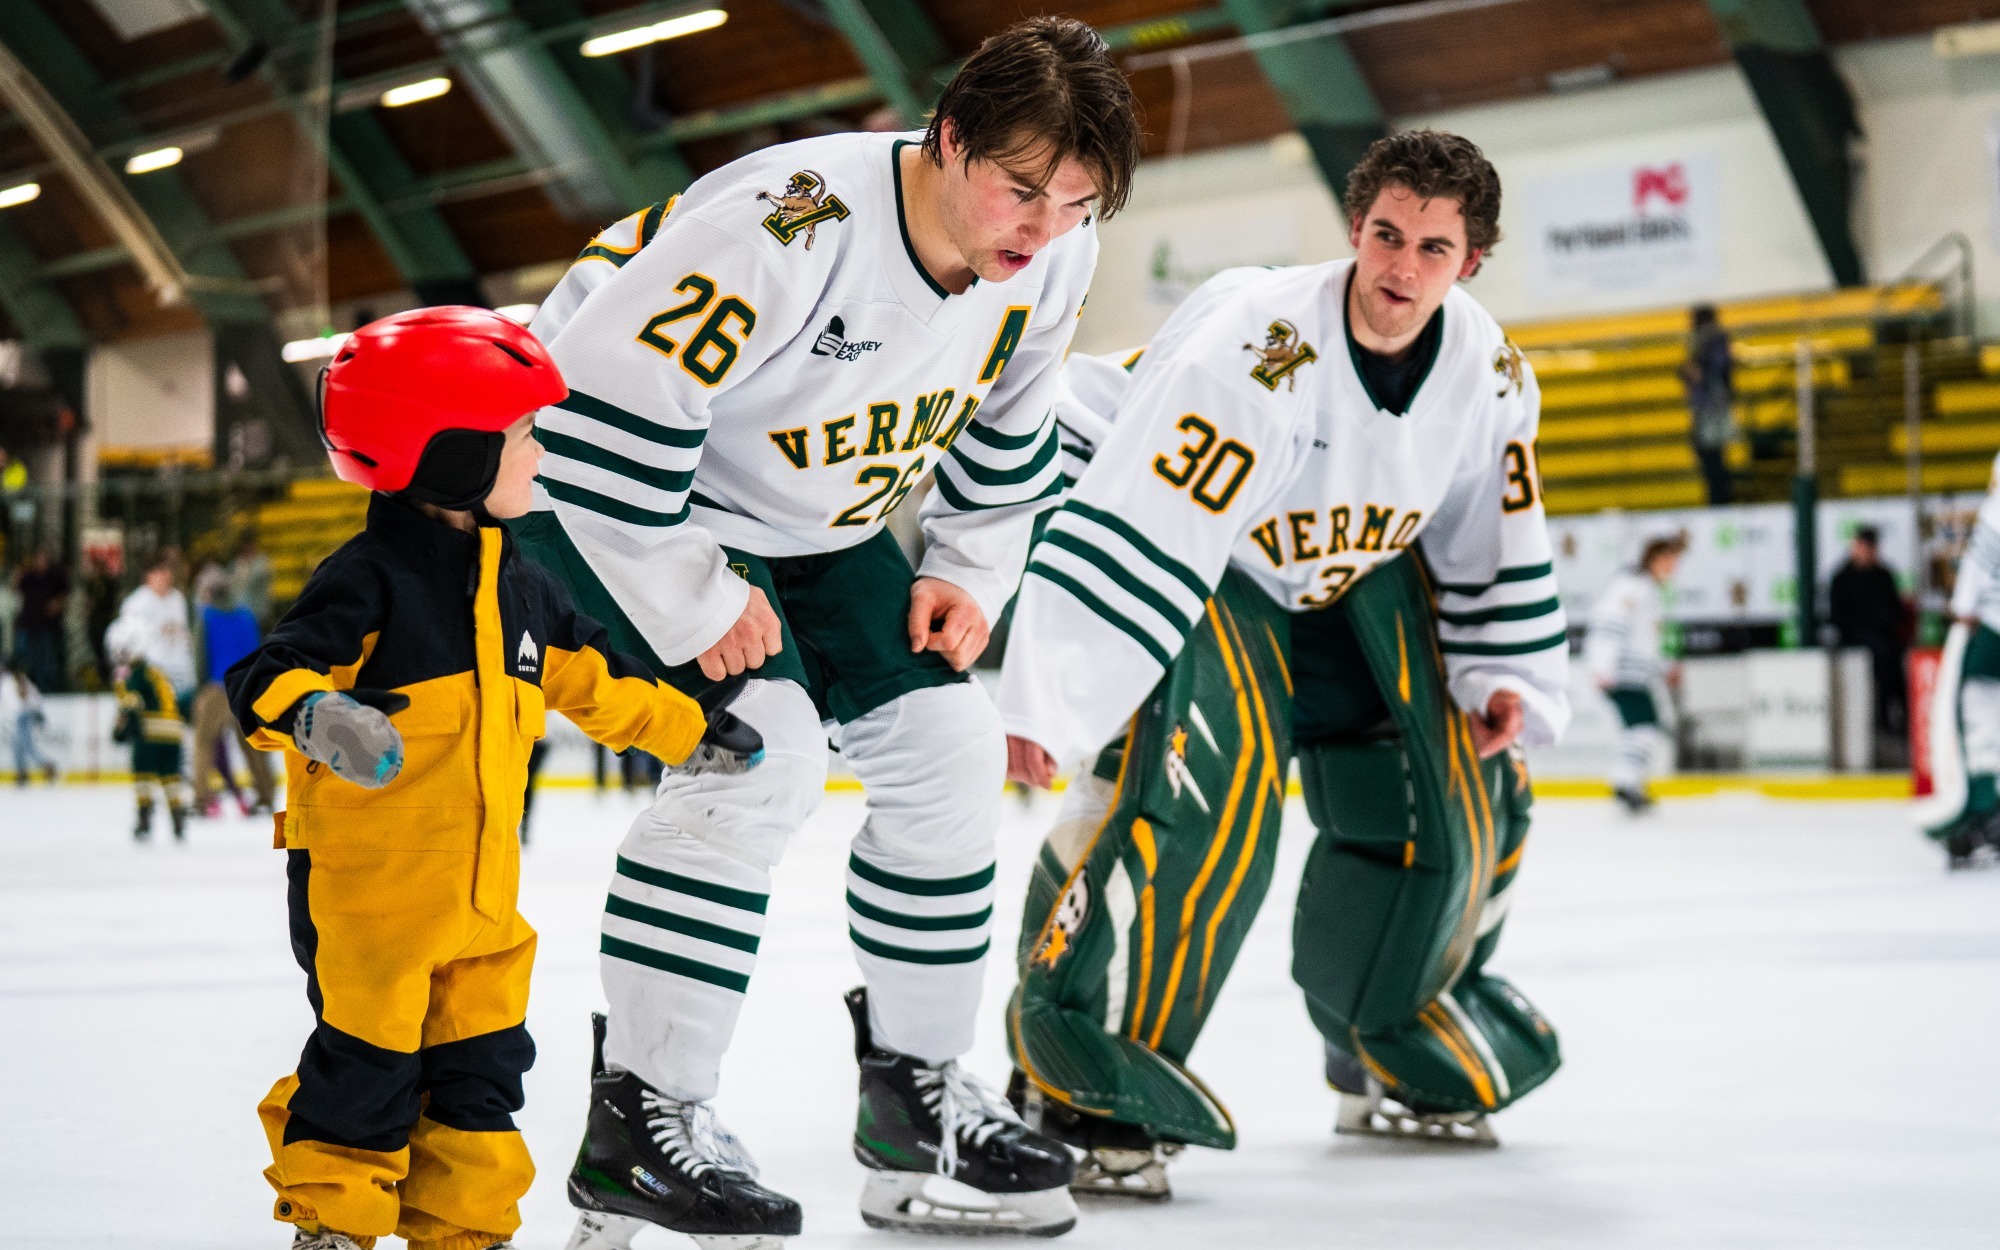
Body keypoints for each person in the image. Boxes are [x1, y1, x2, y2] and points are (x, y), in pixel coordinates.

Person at [513, 17, 1140, 1244]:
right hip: (606, 495)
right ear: (946, 137)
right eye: (1020, 191)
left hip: (809, 519)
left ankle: (915, 1096)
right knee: (763, 752)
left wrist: (969, 563)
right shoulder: (792, 220)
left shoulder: (1052, 251)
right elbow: (593, 414)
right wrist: (696, 592)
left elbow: (1014, 418)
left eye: (1072, 203)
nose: (1041, 229)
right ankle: (641, 1117)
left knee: (950, 747)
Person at [997, 130, 1570, 1195]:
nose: (1401, 267)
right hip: (1201, 547)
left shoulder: (1487, 366)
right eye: (1386, 235)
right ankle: (1074, 1075)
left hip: (1348, 570)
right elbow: (1151, 516)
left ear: (1469, 262)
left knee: (1456, 796)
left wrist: (1503, 671)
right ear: (1354, 227)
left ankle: (1383, 1025)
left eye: (1432, 248)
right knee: (1197, 804)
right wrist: (1061, 692)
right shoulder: (1257, 343)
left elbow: (1487, 527)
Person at [225, 308, 751, 1250]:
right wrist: (321, 714)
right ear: (448, 451)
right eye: (522, 436)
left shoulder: (520, 581)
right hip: (372, 898)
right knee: (368, 1067)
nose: (539, 454)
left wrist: (690, 728)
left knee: (481, 1073)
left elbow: (591, 678)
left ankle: (463, 1232)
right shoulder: (369, 578)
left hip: (482, 900)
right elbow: (265, 676)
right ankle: (334, 1225)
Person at [1586, 535, 1684, 814]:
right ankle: (1625, 783)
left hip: (1635, 673)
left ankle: (1628, 783)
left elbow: (1645, 641)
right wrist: (1602, 666)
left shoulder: (1647, 589)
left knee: (1644, 729)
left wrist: (1663, 668)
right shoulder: (1632, 587)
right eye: (1669, 560)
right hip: (1622, 673)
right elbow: (1610, 624)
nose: (1673, 568)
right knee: (1644, 728)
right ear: (1654, 558)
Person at [192, 575, 275, 816]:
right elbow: (258, 651)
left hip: (217, 686)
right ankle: (265, 794)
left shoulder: (206, 616)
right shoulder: (247, 616)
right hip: (246, 686)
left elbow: (201, 654)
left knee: (204, 742)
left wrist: (201, 688)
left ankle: (201, 798)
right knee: (254, 744)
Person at [107, 616, 190, 841]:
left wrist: (120, 726)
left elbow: (131, 702)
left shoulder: (130, 673)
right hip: (174, 731)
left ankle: (144, 820)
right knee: (170, 776)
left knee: (143, 775)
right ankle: (178, 819)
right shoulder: (155, 670)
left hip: (150, 730)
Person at [1829, 525, 1908, 744]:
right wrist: (1870, 621)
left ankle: (1897, 714)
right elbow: (1839, 618)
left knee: (1890, 655)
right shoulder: (1842, 578)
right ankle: (1885, 717)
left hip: (1884, 638)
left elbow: (1895, 612)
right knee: (1882, 652)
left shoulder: (1884, 576)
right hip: (1857, 638)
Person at [115, 553, 197, 701]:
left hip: (182, 676)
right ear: (148, 575)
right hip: (154, 678)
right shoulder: (136, 603)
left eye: (167, 571)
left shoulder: (178, 599)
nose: (164, 576)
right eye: (159, 571)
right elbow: (126, 646)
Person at [1680, 304, 1734, 505]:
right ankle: (1716, 498)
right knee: (1707, 454)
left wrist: (1700, 372)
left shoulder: (1714, 340)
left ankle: (1719, 500)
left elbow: (1720, 367)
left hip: (1712, 408)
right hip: (1705, 408)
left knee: (1713, 456)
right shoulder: (1703, 342)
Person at [12, 547, 68, 693]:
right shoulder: (30, 576)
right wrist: (21, 569)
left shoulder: (54, 576)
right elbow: (15, 586)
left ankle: (49, 688)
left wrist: (57, 604)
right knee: (30, 659)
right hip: (30, 624)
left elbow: (64, 593)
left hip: (47, 625)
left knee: (48, 660)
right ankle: (32, 687)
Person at [2, 663, 57, 784]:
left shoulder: (11, 680)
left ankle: (46, 766)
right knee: (18, 746)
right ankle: (23, 772)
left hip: (22, 715)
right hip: (21, 715)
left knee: (25, 746)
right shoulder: (15, 679)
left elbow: (22, 699)